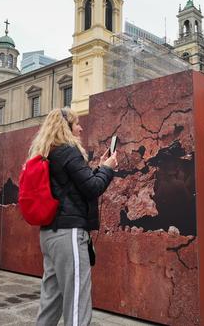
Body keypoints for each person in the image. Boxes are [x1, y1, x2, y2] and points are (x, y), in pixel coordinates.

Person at [30, 107, 118, 326]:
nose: (80, 127)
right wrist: (108, 169)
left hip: (49, 234)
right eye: (76, 123)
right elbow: (93, 188)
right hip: (68, 235)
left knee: (51, 299)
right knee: (77, 300)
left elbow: (78, 186)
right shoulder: (69, 151)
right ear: (66, 127)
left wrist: (99, 167)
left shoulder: (48, 153)